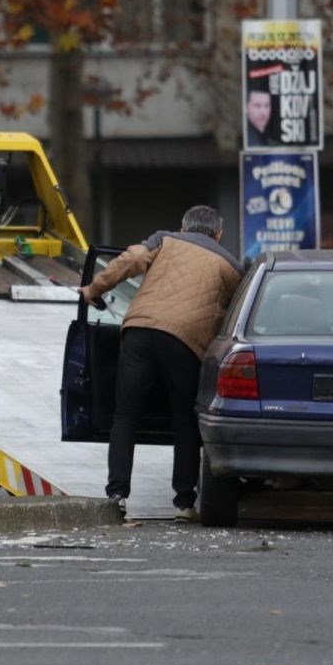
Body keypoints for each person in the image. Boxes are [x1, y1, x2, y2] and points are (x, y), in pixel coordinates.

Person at [78, 205, 243, 522]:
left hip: (140, 332)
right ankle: (183, 502)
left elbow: (130, 261)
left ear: (183, 226)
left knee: (125, 415)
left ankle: (117, 496)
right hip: (187, 342)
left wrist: (93, 288)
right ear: (218, 234)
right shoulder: (230, 265)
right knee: (184, 420)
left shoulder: (164, 240)